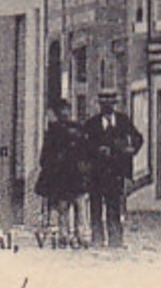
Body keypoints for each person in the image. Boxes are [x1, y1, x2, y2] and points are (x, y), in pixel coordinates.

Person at [83, 90, 143, 248]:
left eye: (110, 103)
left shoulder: (123, 121)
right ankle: (97, 238)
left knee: (114, 206)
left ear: (114, 104)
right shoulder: (91, 124)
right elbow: (83, 146)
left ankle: (115, 238)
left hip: (116, 172)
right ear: (100, 105)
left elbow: (138, 138)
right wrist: (96, 150)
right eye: (104, 103)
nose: (107, 106)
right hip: (97, 173)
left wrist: (131, 150)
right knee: (95, 207)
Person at [35, 99, 86, 240]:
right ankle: (64, 232)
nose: (65, 114)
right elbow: (45, 155)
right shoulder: (53, 133)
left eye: (67, 111)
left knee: (78, 204)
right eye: (62, 112)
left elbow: (85, 150)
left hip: (76, 173)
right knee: (63, 205)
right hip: (62, 174)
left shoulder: (78, 129)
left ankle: (79, 232)